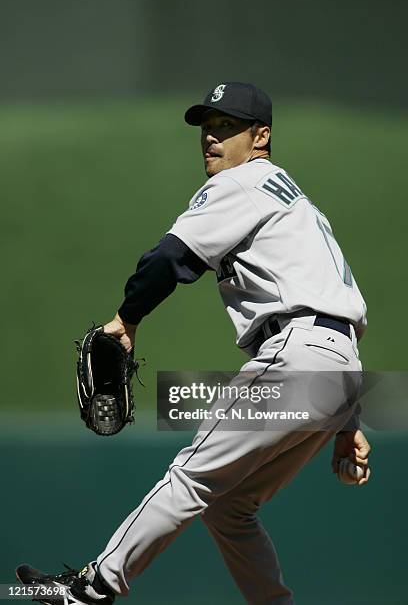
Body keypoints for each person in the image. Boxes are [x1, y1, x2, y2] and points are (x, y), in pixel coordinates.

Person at [17, 82, 371, 605]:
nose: (210, 136)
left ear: (261, 136)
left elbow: (169, 258)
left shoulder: (244, 181)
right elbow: (330, 308)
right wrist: (348, 422)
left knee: (189, 478)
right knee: (231, 507)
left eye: (226, 126)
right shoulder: (294, 198)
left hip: (298, 354)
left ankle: (91, 587)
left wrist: (125, 320)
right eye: (207, 125)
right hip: (338, 367)